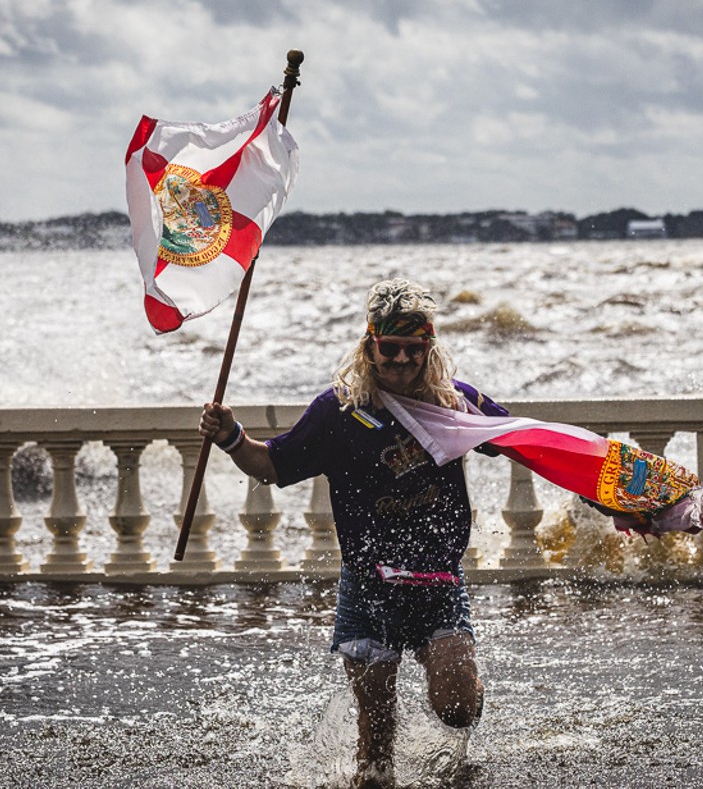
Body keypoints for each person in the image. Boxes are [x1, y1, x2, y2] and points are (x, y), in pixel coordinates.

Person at [198, 278, 508, 788]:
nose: (403, 360)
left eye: (415, 349)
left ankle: (460, 726)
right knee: (376, 742)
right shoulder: (337, 411)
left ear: (430, 350)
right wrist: (231, 437)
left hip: (437, 583)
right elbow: (272, 465)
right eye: (391, 349)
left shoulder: (457, 404)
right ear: (371, 347)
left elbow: (524, 442)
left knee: (456, 708)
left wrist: (606, 493)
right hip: (368, 587)